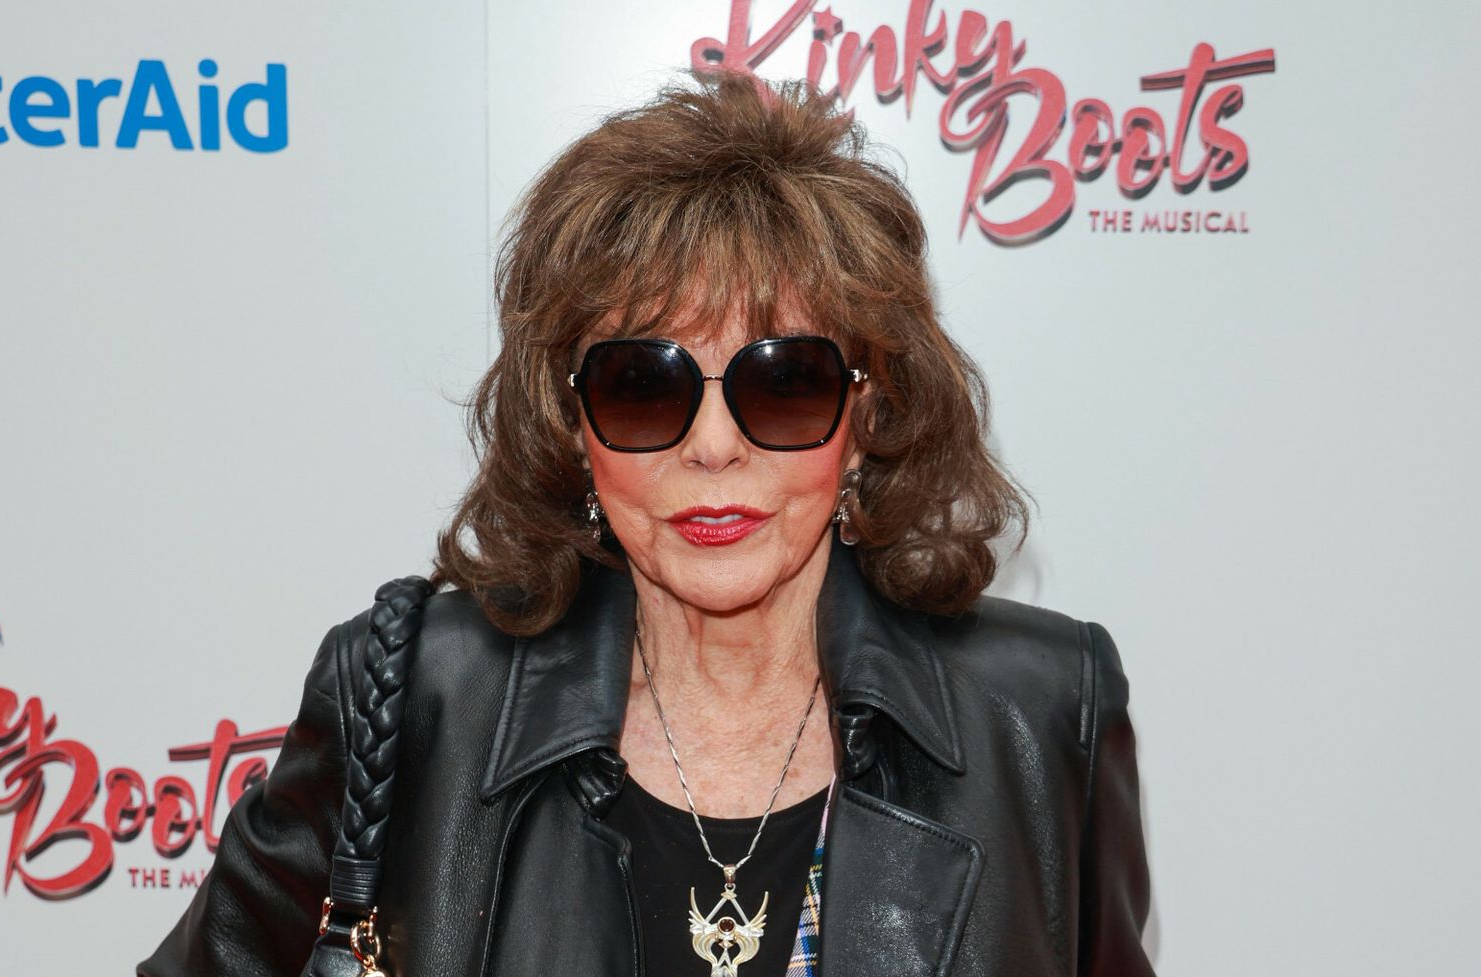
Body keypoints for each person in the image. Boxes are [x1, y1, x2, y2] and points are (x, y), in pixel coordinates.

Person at [138, 70, 1155, 977]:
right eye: (641, 385)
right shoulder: (408, 702)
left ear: (867, 416)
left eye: (785, 382)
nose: (713, 446)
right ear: (573, 424)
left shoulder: (1042, 714)